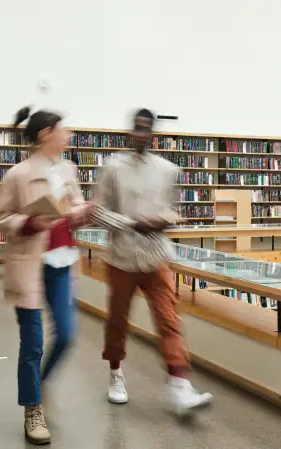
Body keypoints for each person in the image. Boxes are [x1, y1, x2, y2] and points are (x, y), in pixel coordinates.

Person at [90, 108, 213, 416]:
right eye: (136, 128)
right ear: (130, 132)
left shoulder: (167, 170)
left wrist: (162, 220)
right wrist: (131, 223)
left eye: (146, 129)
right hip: (122, 258)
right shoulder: (113, 168)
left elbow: (174, 210)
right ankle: (115, 374)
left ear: (153, 133)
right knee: (118, 319)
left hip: (157, 256)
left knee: (169, 319)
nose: (140, 134)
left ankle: (179, 384)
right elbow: (97, 211)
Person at [0, 107, 92, 445]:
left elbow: (72, 205)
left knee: (66, 335)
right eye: (64, 129)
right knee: (33, 343)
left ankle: (42, 383)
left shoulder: (69, 168)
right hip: (29, 266)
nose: (69, 135)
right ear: (46, 133)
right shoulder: (17, 175)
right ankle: (32, 409)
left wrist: (83, 213)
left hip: (62, 263)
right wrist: (29, 222)